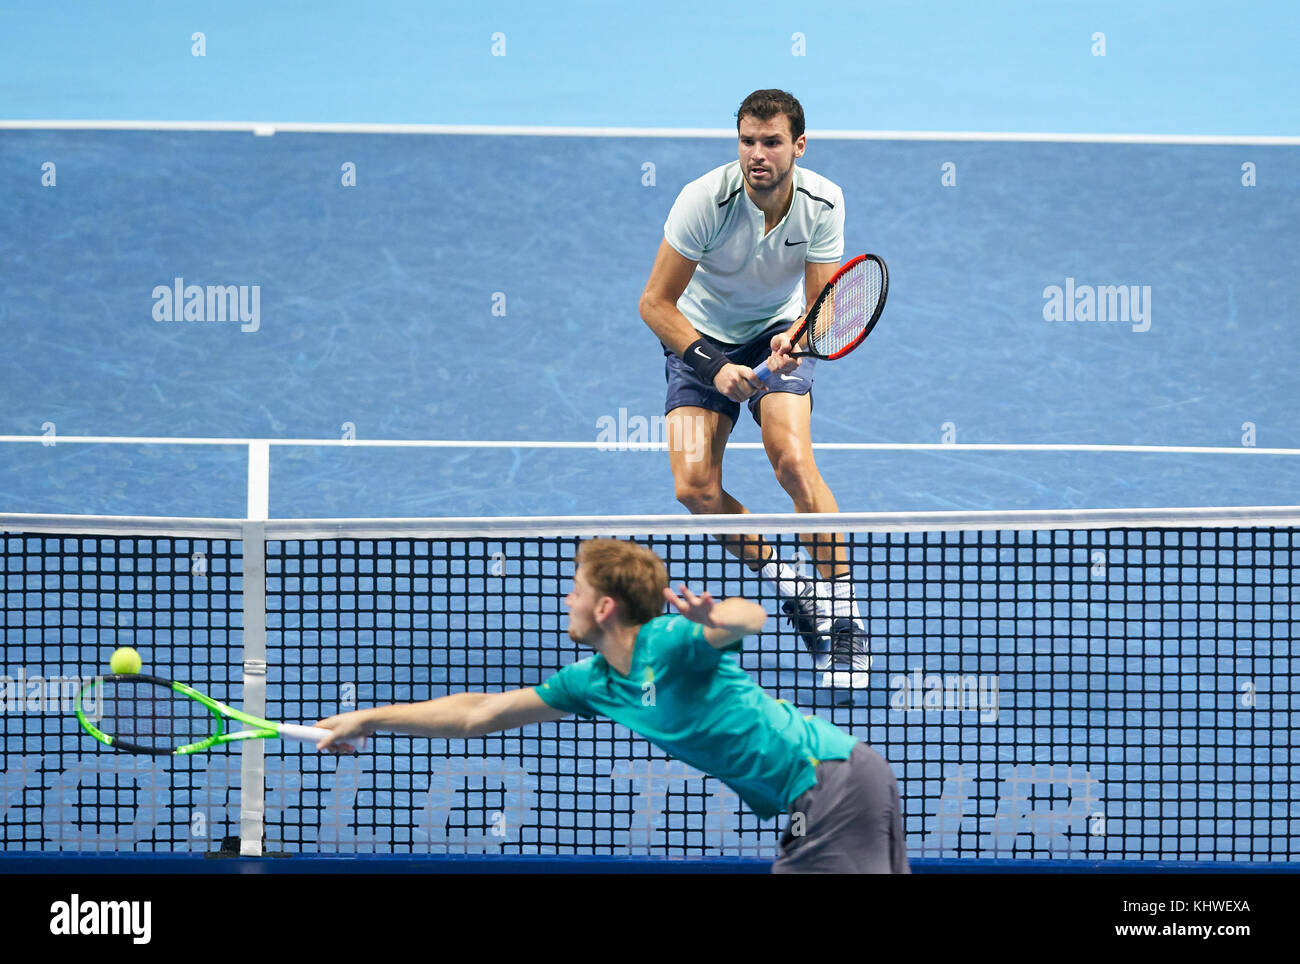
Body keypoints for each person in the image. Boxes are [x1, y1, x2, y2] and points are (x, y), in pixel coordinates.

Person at [315, 538, 909, 874]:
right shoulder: (593, 681)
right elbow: (479, 713)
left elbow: (747, 617)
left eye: (575, 590)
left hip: (829, 782)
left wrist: (713, 618)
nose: (565, 599)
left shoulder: (670, 643)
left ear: (604, 608)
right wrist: (370, 718)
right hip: (839, 779)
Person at [638, 89, 869, 688]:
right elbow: (655, 303)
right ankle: (794, 588)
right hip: (698, 337)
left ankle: (843, 615)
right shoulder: (703, 200)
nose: (757, 154)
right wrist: (714, 365)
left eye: (770, 142)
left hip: (777, 331)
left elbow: (821, 307)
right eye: (747, 140)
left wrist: (793, 337)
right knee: (693, 487)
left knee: (792, 461)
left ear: (798, 144)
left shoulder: (823, 202)